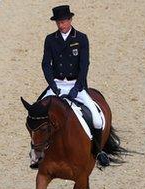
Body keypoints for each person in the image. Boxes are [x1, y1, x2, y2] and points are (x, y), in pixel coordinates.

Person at [39, 5, 110, 167]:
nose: (61, 25)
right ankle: (37, 151)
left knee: (97, 119)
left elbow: (84, 65)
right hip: (56, 84)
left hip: (75, 85)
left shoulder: (81, 38)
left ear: (70, 20)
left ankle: (98, 152)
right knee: (36, 112)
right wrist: (53, 85)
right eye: (58, 22)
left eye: (64, 22)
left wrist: (77, 88)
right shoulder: (50, 39)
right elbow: (46, 64)